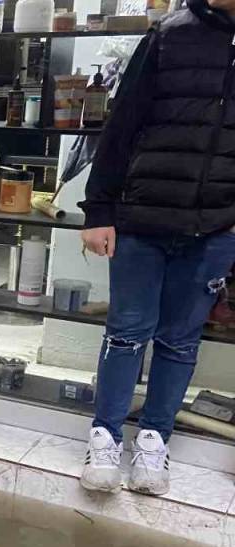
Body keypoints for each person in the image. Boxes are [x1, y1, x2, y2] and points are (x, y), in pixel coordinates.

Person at [78, 0, 235, 495]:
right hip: (143, 218)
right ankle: (104, 438)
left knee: (180, 340)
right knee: (127, 332)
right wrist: (99, 210)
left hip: (215, 226)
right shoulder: (167, 35)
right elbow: (121, 125)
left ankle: (154, 441)